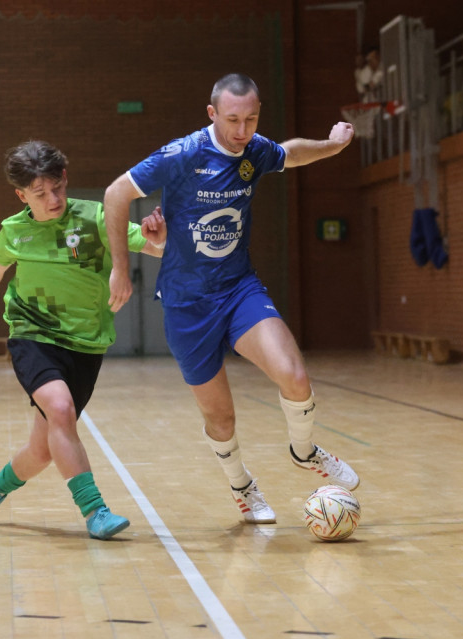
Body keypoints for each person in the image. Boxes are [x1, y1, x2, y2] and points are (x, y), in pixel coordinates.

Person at [103, 73, 358, 524]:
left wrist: (331, 145)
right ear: (212, 113)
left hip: (238, 288)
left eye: (251, 119)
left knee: (295, 376)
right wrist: (122, 268)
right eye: (233, 119)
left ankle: (304, 451)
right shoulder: (183, 154)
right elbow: (115, 193)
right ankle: (242, 486)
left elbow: (290, 153)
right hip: (186, 305)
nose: (242, 130)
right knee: (221, 420)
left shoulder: (254, 150)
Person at [0, 140, 166, 540]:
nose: (52, 199)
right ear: (21, 195)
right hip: (32, 333)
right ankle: (95, 512)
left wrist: (160, 234)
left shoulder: (95, 218)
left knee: (42, 449)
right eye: (40, 194)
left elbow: (152, 245)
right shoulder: (15, 231)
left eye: (57, 189)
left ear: (65, 179)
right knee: (60, 407)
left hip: (86, 344)